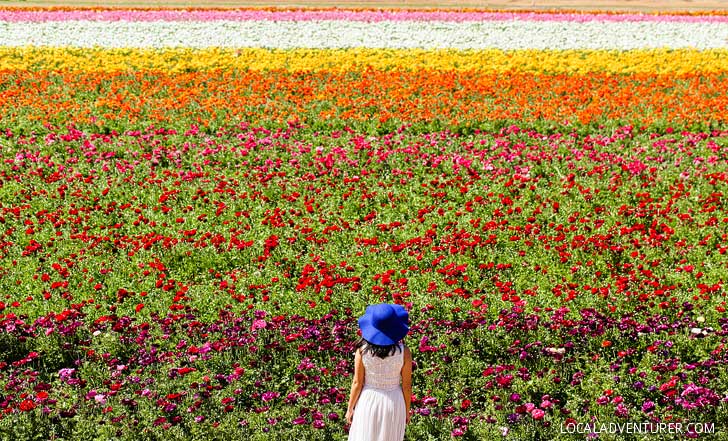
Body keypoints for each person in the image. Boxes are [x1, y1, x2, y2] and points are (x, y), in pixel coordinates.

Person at [346, 303, 412, 441]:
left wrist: (350, 408)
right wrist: (406, 411)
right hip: (394, 402)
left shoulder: (362, 351)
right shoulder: (404, 352)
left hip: (368, 401)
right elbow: (406, 386)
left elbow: (357, 383)